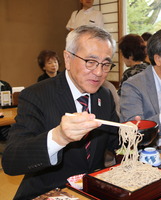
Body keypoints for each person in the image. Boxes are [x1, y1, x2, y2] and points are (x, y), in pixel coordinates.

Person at [1, 25, 119, 200]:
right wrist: (59, 136)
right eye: (90, 62)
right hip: (47, 193)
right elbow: (11, 161)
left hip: (91, 191)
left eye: (106, 64)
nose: (99, 72)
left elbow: (115, 141)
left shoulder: (104, 95)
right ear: (68, 58)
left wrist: (136, 132)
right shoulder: (36, 95)